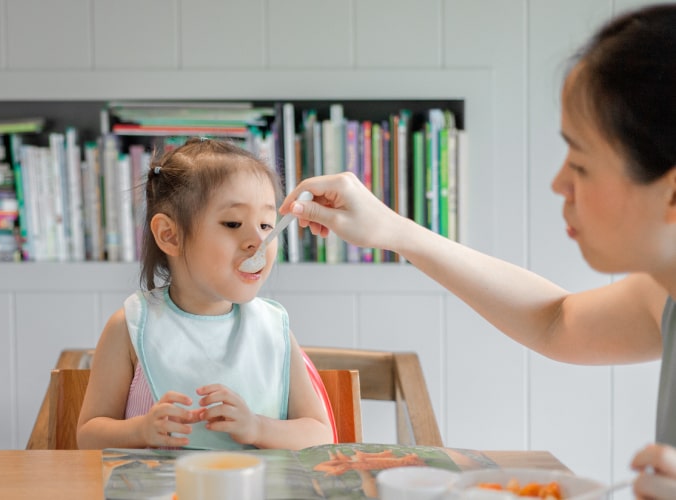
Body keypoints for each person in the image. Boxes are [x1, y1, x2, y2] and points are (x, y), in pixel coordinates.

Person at [280, 4, 676, 499]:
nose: (558, 183)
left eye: (580, 164)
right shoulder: (664, 296)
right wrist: (393, 231)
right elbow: (556, 321)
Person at [76, 137, 332, 451]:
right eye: (233, 223)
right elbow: (88, 436)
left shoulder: (273, 329)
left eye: (267, 225)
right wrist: (140, 431)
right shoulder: (129, 327)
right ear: (169, 236)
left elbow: (320, 435)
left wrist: (256, 428)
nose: (258, 241)